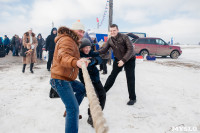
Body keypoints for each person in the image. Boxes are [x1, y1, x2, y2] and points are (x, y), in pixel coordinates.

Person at [50, 20, 88, 133]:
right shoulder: (67, 40)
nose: (81, 34)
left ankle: (69, 111)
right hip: (60, 80)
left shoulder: (73, 41)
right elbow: (63, 57)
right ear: (73, 30)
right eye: (79, 31)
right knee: (73, 109)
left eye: (83, 32)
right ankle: (71, 111)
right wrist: (76, 63)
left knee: (82, 89)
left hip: (67, 78)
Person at [98, 24, 136, 105]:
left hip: (129, 59)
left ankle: (133, 98)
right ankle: (103, 91)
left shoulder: (124, 37)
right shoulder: (110, 40)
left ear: (117, 30)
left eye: (114, 30)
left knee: (130, 78)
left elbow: (130, 49)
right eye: (111, 31)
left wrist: (123, 60)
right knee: (112, 76)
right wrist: (93, 53)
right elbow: (104, 50)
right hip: (118, 59)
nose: (112, 32)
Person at [78, 38, 106, 127]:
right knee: (94, 98)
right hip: (87, 80)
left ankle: (98, 115)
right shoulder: (78, 55)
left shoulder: (91, 53)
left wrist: (93, 60)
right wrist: (85, 62)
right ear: (81, 48)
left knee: (103, 95)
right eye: (85, 48)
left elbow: (99, 58)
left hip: (96, 78)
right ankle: (91, 117)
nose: (87, 49)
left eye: (89, 47)